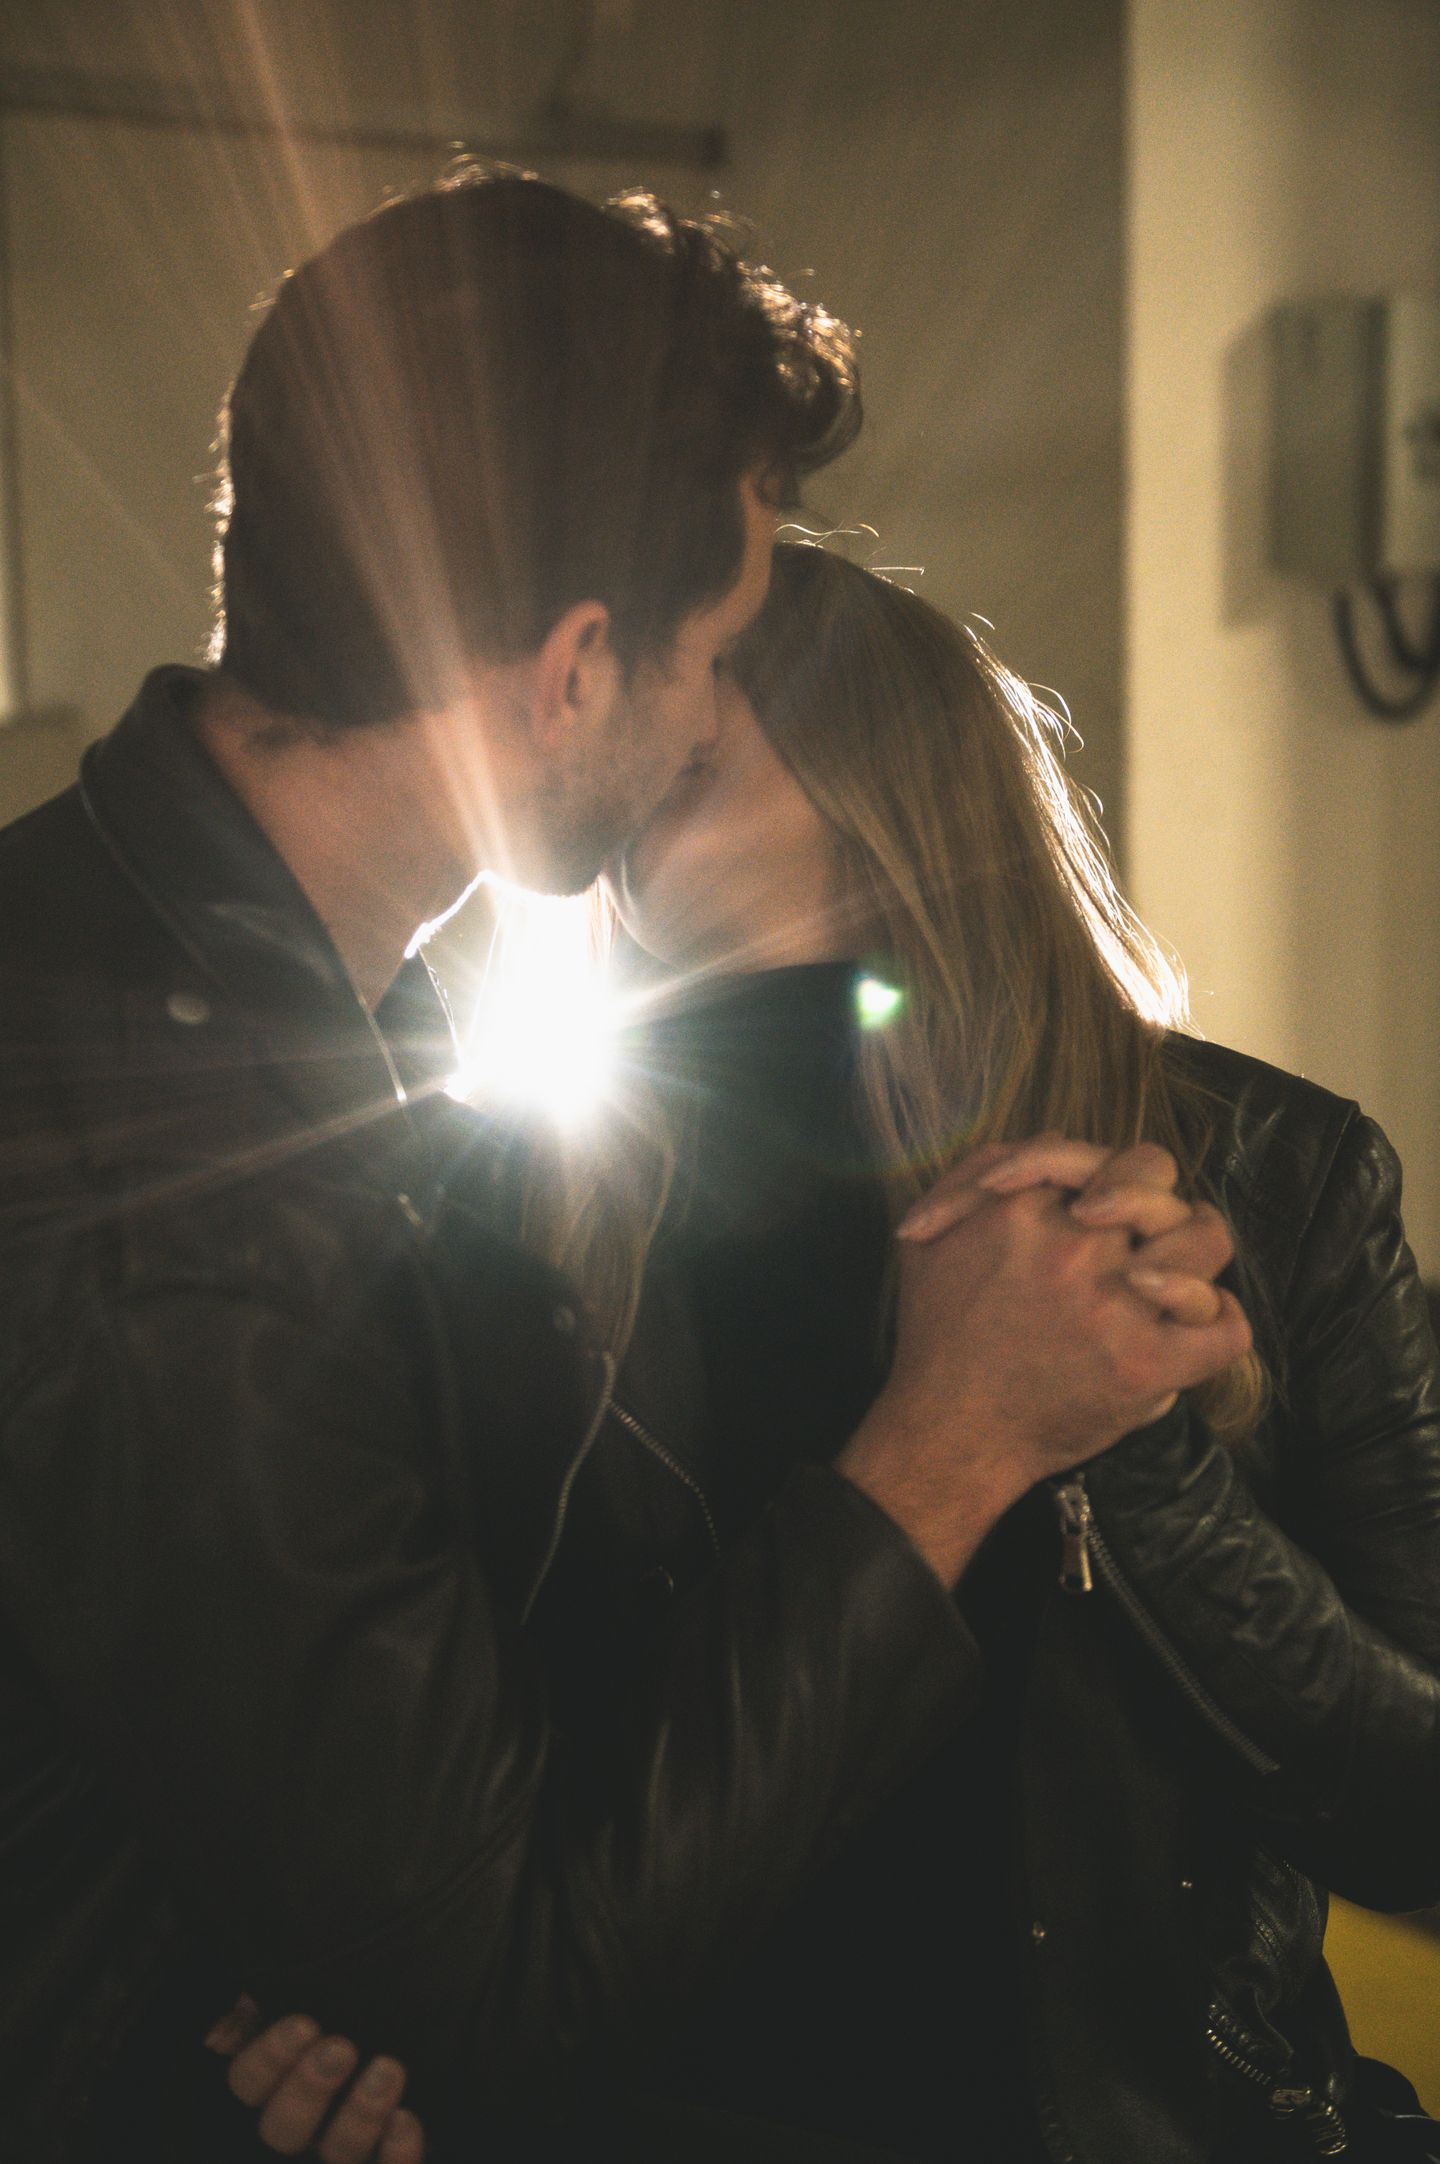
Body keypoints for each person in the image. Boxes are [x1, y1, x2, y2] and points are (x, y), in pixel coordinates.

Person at [0, 170, 1245, 2164]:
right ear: (575, 665)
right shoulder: (190, 1165)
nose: (706, 723)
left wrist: (369, 1979)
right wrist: (951, 1441)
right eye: (712, 654)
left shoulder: (266, 1000)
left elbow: (395, 1780)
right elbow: (496, 1973)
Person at [221, 543, 1440, 2162]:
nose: (624, 745)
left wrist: (1133, 1436)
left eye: (691, 704)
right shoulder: (491, 1195)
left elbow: (1414, 1816)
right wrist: (348, 2002)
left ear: (887, 764)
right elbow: (408, 1753)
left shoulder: (1271, 1170)